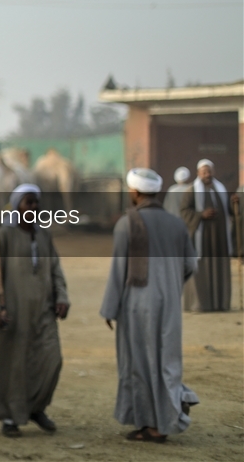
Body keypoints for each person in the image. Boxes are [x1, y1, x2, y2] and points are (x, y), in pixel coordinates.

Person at [100, 168, 198, 443]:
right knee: (166, 362)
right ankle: (159, 421)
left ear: (134, 192)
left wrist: (109, 308)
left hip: (137, 305)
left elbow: (119, 270)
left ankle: (152, 426)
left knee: (139, 362)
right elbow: (191, 265)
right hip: (169, 305)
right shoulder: (177, 223)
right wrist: (170, 285)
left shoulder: (126, 223)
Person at [0, 183, 70, 437]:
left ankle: (36, 408)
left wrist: (62, 297)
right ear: (18, 205)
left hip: (43, 310)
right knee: (16, 365)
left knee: (52, 360)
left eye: (35, 203)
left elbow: (55, 268)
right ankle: (11, 417)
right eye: (28, 202)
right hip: (16, 311)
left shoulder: (44, 235)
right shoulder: (5, 235)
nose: (33, 207)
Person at [180, 159, 238, 311]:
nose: (207, 174)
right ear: (198, 173)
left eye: (209, 171)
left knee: (219, 269)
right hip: (201, 238)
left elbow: (230, 211)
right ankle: (200, 304)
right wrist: (201, 215)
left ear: (213, 172)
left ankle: (220, 303)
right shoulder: (191, 190)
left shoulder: (220, 188)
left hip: (219, 240)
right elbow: (184, 211)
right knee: (201, 270)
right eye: (204, 172)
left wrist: (234, 203)